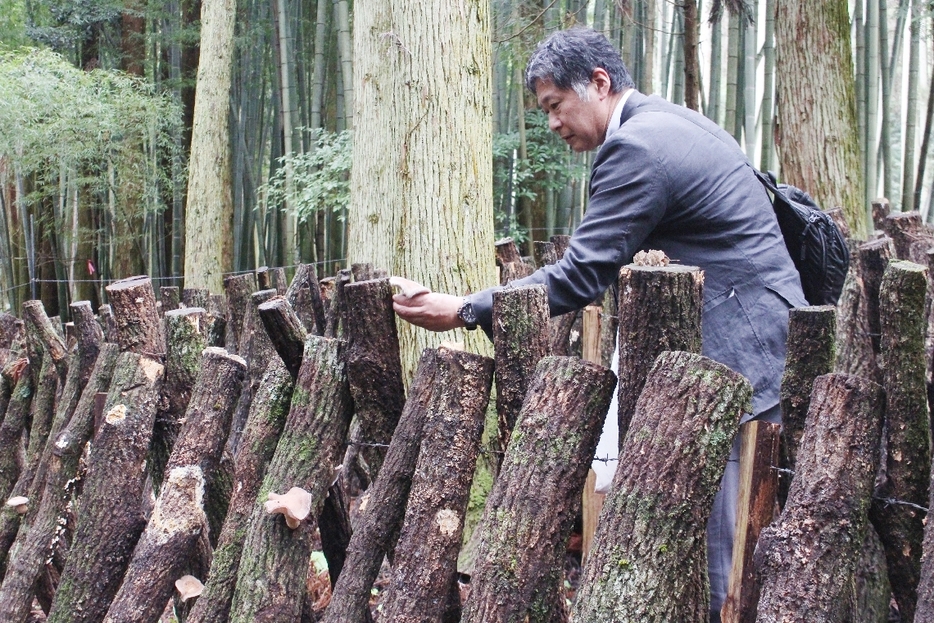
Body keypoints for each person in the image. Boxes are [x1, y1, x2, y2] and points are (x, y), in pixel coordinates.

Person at [392, 27, 806, 620]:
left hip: (742, 360)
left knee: (727, 560)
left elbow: (580, 275)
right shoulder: (672, 121)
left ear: (600, 83)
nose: (554, 124)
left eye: (555, 106)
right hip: (762, 344)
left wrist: (461, 308)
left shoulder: (637, 148)